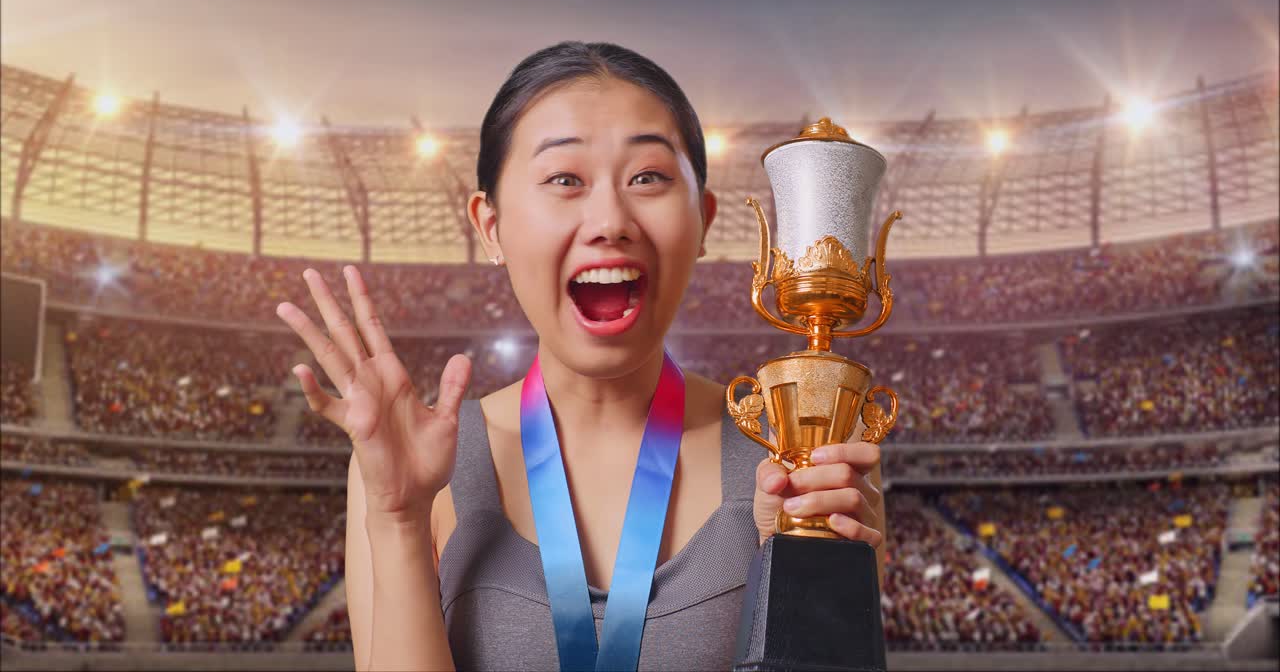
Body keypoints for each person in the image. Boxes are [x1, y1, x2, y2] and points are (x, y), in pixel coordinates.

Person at [275, 41, 886, 672]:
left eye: (648, 177)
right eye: (565, 179)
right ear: (492, 226)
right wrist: (400, 519)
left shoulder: (800, 452)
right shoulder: (415, 465)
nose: (609, 219)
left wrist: (800, 565)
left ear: (703, 221)